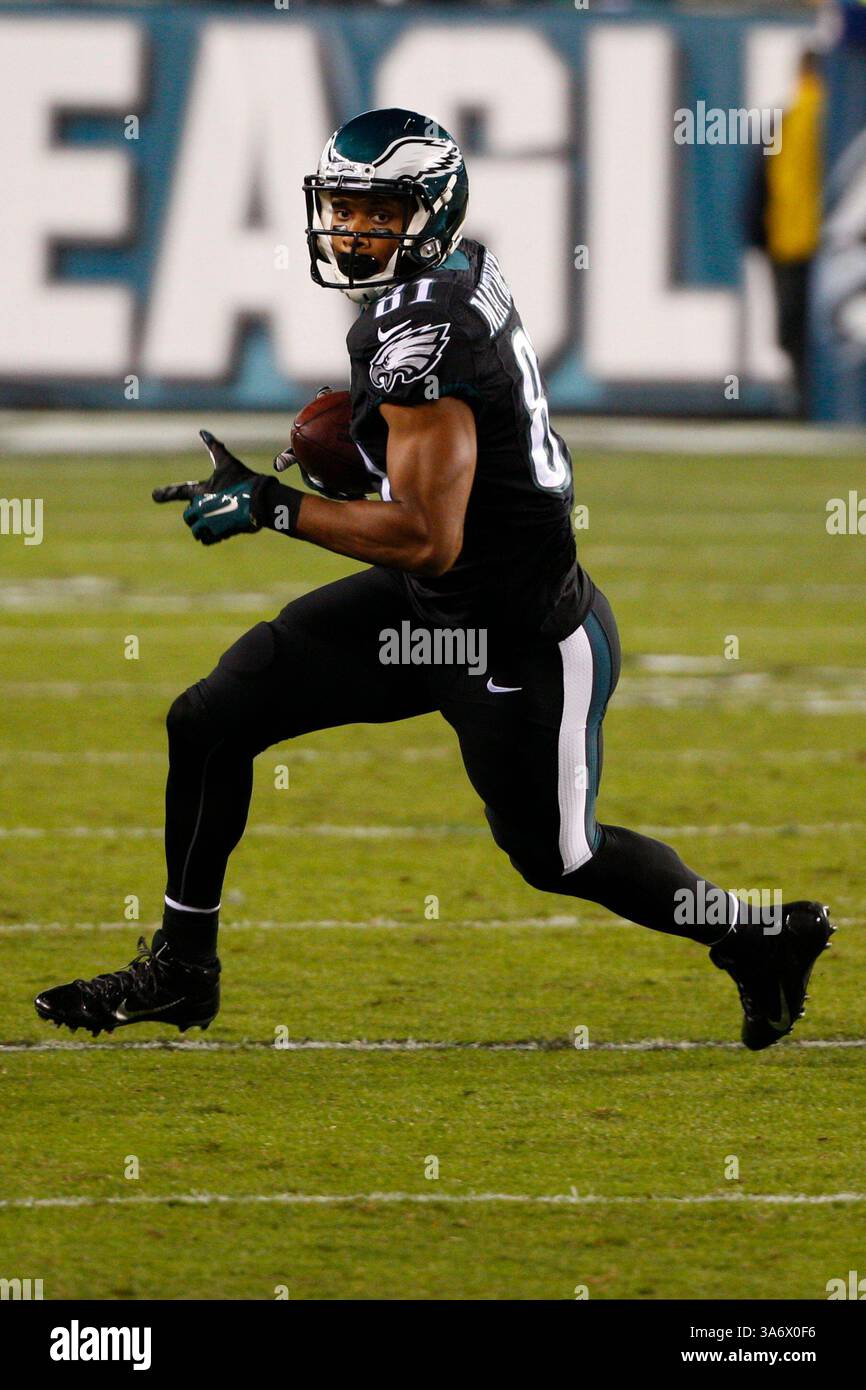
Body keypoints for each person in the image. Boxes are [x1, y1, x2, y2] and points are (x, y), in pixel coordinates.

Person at [35, 108, 833, 1049]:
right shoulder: (451, 277)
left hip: (522, 637)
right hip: (433, 612)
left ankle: (758, 937)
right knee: (211, 719)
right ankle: (182, 968)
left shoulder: (425, 334)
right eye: (341, 207)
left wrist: (271, 505)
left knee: (562, 857)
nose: (351, 230)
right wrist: (365, 453)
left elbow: (426, 535)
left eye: (377, 212)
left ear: (431, 212)